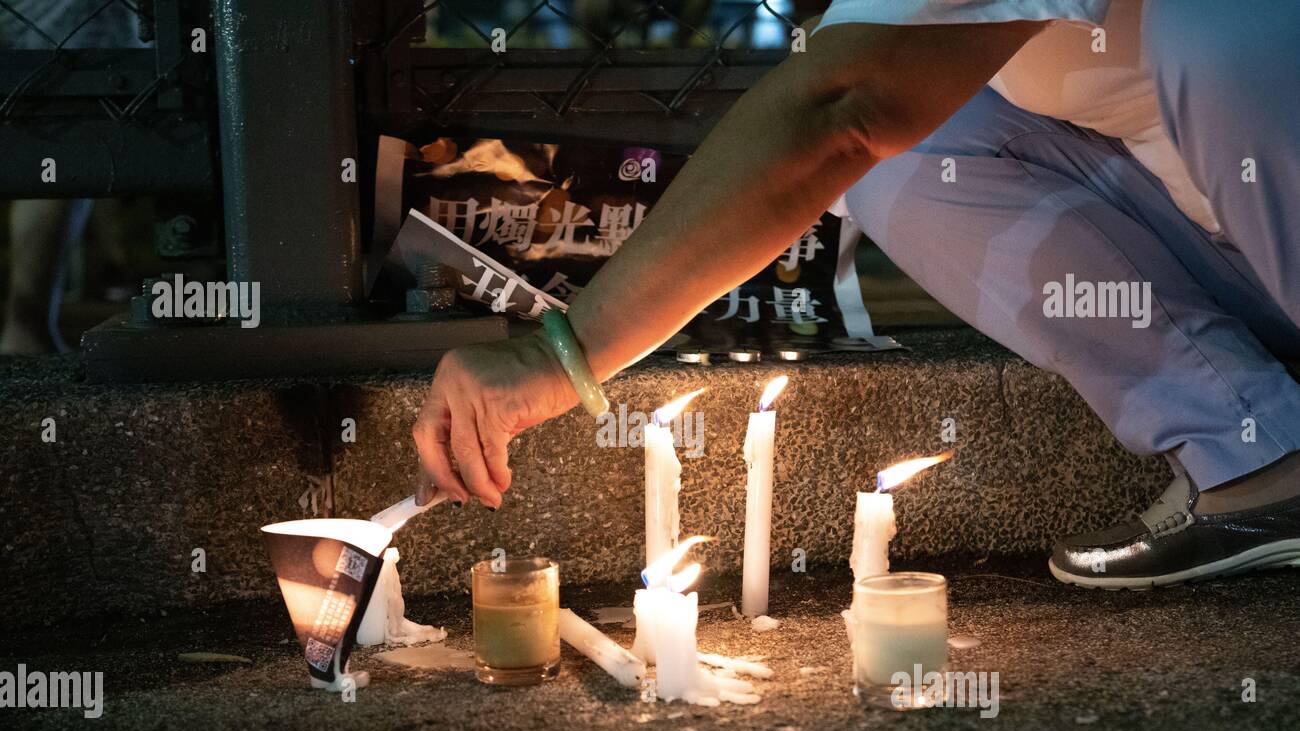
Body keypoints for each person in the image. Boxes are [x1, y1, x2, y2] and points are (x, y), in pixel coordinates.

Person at [413, 0, 1300, 589]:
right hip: (1241, 247)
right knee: (920, 144)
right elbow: (852, 107)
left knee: (1223, 25)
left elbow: (839, 106)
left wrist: (560, 357)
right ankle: (1258, 457)